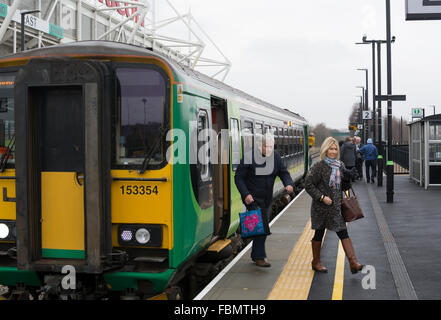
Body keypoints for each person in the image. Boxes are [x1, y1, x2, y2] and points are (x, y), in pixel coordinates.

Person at [305, 137, 364, 274]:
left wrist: (348, 178)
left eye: (335, 148)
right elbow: (308, 185)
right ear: (325, 150)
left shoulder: (340, 165)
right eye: (331, 149)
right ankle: (316, 262)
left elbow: (343, 187)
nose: (333, 151)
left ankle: (353, 262)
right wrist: (321, 197)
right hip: (321, 208)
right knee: (319, 234)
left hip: (336, 208)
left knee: (343, 232)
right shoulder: (318, 167)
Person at [235, 134, 294, 268]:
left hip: (267, 198)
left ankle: (256, 254)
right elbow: (238, 178)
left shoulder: (276, 157)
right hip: (252, 199)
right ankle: (259, 257)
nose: (269, 149)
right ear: (258, 145)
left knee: (261, 227)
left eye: (271, 147)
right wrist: (245, 195)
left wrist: (288, 183)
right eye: (266, 146)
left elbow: (283, 172)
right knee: (262, 228)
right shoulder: (249, 157)